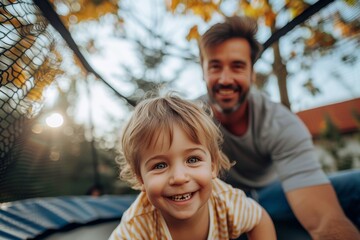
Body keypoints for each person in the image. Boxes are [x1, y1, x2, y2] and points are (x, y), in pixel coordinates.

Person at [198, 15, 360, 240]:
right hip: (214, 208)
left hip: (277, 198)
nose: (226, 79)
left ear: (252, 74)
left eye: (237, 66)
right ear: (203, 72)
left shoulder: (280, 123)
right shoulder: (187, 121)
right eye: (215, 66)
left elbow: (323, 218)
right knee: (132, 208)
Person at [108, 93, 276, 240]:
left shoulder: (225, 202)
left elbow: (259, 220)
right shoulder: (137, 226)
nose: (179, 177)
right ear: (140, 178)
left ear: (212, 166)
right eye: (160, 165)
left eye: (193, 160)